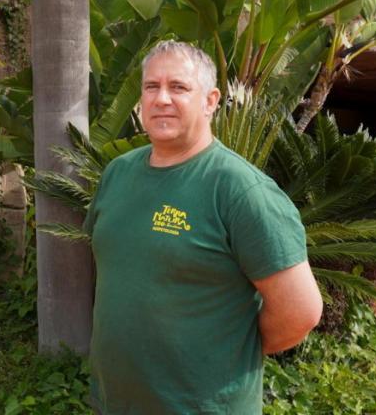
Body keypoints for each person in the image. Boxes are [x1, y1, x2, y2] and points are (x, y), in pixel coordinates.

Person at [84, 40, 323, 414]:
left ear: (210, 101)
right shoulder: (118, 173)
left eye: (178, 87)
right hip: (116, 403)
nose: (161, 98)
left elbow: (300, 312)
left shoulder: (240, 191)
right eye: (151, 87)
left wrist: (229, 347)